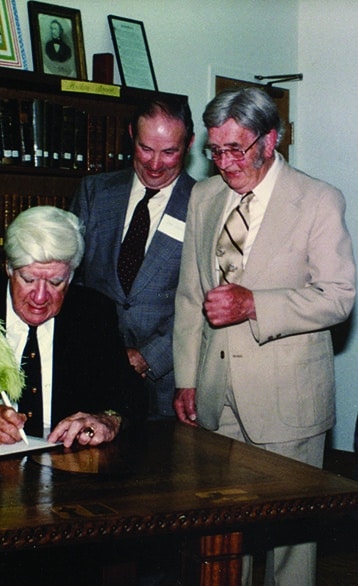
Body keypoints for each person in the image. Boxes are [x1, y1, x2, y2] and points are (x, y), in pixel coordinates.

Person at [173, 87, 355, 585]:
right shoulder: (205, 197)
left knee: (288, 543)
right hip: (216, 397)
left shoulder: (317, 200)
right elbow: (190, 295)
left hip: (288, 401)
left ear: (270, 141)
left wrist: (256, 304)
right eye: (215, 151)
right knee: (222, 536)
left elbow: (339, 296)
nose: (225, 163)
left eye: (236, 149)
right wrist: (187, 378)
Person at [0, 206, 142, 447]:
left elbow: (130, 394)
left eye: (55, 282)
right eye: (28, 279)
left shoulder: (92, 312)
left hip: (64, 464)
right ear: (9, 268)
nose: (40, 297)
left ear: (71, 276)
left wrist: (108, 420)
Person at [71, 96, 195, 419]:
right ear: (131, 135)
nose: (155, 164)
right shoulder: (95, 192)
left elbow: (203, 303)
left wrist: (147, 356)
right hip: (95, 377)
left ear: (190, 144)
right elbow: (72, 281)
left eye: (169, 152)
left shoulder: (203, 204)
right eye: (145, 149)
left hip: (169, 387)